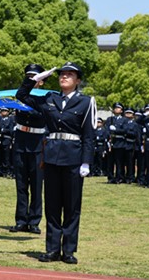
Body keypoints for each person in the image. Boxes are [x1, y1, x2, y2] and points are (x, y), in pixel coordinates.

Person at [16, 62, 96, 264]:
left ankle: (68, 250)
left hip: (73, 159)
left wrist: (86, 162)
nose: (64, 77)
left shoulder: (85, 102)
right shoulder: (49, 98)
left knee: (71, 206)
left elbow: (88, 136)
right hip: (51, 157)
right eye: (61, 74)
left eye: (70, 75)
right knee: (52, 206)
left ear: (77, 80)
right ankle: (52, 249)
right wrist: (35, 78)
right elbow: (22, 96)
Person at [10, 64, 47, 235]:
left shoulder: (46, 98)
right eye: (28, 76)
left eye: (35, 77)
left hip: (38, 143)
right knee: (21, 184)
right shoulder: (19, 96)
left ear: (42, 81)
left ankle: (34, 221)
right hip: (21, 141)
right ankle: (21, 220)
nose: (32, 79)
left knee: (37, 185)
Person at [105, 103, 127, 184]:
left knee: (119, 162)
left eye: (118, 108)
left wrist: (116, 130)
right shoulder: (109, 119)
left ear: (121, 110)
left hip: (120, 142)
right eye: (115, 108)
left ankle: (119, 177)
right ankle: (110, 178)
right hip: (111, 143)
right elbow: (106, 130)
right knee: (110, 162)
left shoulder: (124, 120)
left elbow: (125, 130)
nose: (116, 109)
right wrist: (108, 135)